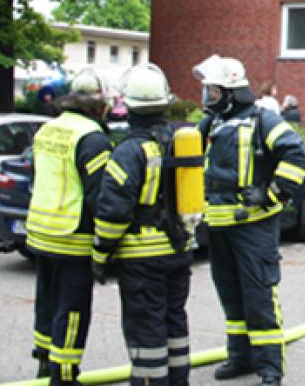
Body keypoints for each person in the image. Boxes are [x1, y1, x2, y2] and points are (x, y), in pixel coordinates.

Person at [193, 55, 305, 386]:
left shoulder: (265, 120)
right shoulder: (211, 124)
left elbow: (297, 157)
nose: (208, 99)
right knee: (230, 296)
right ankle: (240, 357)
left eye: (213, 93)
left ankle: (269, 368)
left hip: (253, 226)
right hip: (218, 225)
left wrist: (271, 193)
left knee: (259, 296)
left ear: (231, 93)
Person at [92, 63, 194, 385]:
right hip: (180, 251)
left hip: (142, 258)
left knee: (146, 331)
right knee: (174, 325)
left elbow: (112, 212)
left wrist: (100, 253)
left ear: (129, 107)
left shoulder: (128, 152)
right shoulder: (182, 141)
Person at [26, 68, 113, 384]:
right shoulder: (92, 138)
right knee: (73, 308)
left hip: (41, 230)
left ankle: (44, 361)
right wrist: (108, 241)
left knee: (46, 300)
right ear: (96, 105)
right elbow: (98, 196)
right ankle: (64, 374)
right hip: (72, 235)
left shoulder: (46, 130)